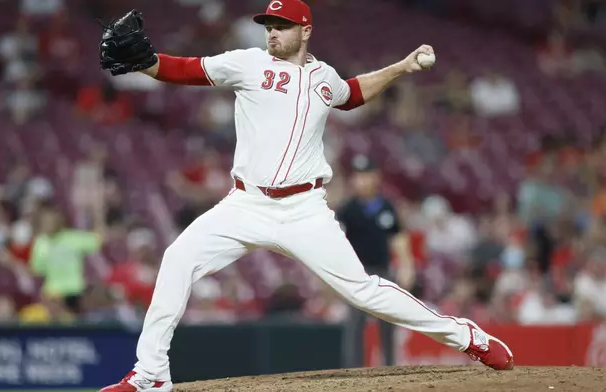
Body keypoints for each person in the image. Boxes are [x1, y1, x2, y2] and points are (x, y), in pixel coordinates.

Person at [99, 1, 514, 391]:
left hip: (304, 210)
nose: (272, 34)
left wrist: (402, 68)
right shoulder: (248, 63)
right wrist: (148, 63)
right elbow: (185, 69)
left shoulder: (324, 77)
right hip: (245, 204)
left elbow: (350, 94)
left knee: (363, 292)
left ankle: (467, 336)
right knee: (177, 258)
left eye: (282, 27)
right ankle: (151, 375)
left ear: (305, 31)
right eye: (269, 27)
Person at [338, 155, 416, 368]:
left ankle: (390, 367)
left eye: (366, 175)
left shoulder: (386, 207)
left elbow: (398, 237)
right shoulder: (347, 210)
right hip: (357, 275)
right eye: (358, 176)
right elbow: (337, 243)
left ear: (376, 177)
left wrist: (406, 265)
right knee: (355, 326)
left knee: (388, 322)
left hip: (383, 272)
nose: (362, 181)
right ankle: (353, 372)